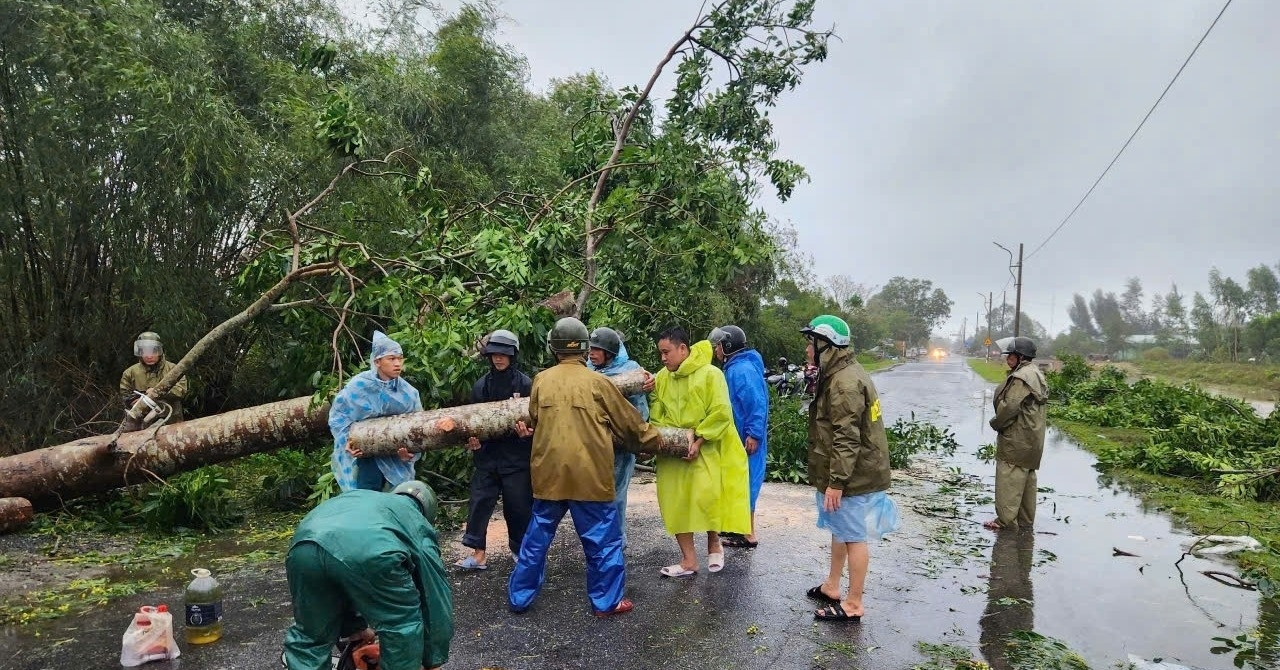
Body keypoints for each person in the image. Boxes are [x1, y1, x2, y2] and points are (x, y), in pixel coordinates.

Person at [508, 317, 664, 617]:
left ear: (554, 348)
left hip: (549, 476)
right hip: (589, 477)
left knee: (536, 541)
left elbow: (534, 419)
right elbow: (631, 425)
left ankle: (519, 598)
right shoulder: (599, 383)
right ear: (583, 348)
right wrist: (654, 442)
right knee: (602, 542)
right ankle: (607, 603)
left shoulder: (541, 380)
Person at [282, 480, 453, 670]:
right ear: (427, 512)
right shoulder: (416, 520)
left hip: (303, 548)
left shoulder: (364, 497)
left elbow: (337, 561)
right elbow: (435, 598)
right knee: (401, 626)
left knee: (310, 639)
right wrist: (433, 660)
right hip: (372, 552)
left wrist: (355, 630)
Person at [801, 314, 897, 623]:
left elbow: (847, 438)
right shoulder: (841, 373)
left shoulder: (844, 384)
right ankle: (832, 586)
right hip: (849, 471)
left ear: (825, 345)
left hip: (853, 475)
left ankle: (854, 603)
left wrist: (837, 482)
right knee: (840, 530)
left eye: (810, 343)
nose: (807, 350)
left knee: (853, 536)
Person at [649, 327, 751, 577]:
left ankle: (714, 542)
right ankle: (689, 560)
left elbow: (720, 411)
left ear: (683, 348)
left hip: (708, 446)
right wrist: (666, 439)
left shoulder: (710, 374)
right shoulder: (662, 377)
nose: (663, 358)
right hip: (674, 449)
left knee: (707, 498)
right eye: (660, 353)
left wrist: (699, 439)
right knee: (677, 503)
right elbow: (657, 411)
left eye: (667, 352)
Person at [457, 329, 533, 571]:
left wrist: (526, 436)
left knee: (518, 506)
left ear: (513, 355)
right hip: (488, 457)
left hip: (516, 457)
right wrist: (474, 442)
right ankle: (478, 554)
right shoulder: (481, 386)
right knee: (479, 502)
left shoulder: (525, 384)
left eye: (503, 354)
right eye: (494, 354)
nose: (498, 359)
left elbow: (537, 422)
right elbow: (472, 422)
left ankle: (519, 551)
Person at [328, 331, 421, 492]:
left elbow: (419, 428)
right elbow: (338, 418)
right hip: (367, 456)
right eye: (392, 359)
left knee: (397, 503)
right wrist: (348, 442)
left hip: (398, 460)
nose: (398, 363)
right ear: (377, 361)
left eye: (400, 358)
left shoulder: (408, 393)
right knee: (367, 501)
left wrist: (411, 453)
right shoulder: (359, 387)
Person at [587, 326, 649, 548]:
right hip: (593, 444)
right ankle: (598, 537)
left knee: (615, 494)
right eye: (590, 349)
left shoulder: (630, 371)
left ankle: (616, 538)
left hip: (620, 447)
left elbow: (640, 409)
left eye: (596, 349)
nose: (591, 353)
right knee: (593, 494)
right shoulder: (586, 371)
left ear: (610, 352)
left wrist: (639, 437)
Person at [709, 325, 769, 549]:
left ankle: (748, 534)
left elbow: (756, 404)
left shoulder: (740, 369)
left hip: (747, 438)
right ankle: (739, 527)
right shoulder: (736, 367)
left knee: (747, 484)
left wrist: (754, 434)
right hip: (740, 436)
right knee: (738, 482)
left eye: (718, 346)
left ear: (727, 345)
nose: (716, 351)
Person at [983, 336, 1048, 531]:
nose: (1007, 358)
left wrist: (996, 423)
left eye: (1010, 355)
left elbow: (1010, 407)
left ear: (1020, 356)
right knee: (1027, 479)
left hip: (1017, 438)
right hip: (1033, 439)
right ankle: (1025, 521)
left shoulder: (1021, 377)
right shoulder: (1035, 373)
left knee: (1009, 478)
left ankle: (1005, 521)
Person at [118, 331, 189, 432]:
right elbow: (126, 396)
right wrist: (138, 401)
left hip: (172, 422)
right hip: (142, 426)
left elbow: (181, 390)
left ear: (160, 351)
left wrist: (157, 392)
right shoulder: (130, 373)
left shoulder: (174, 369)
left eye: (153, 351)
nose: (149, 356)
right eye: (145, 352)